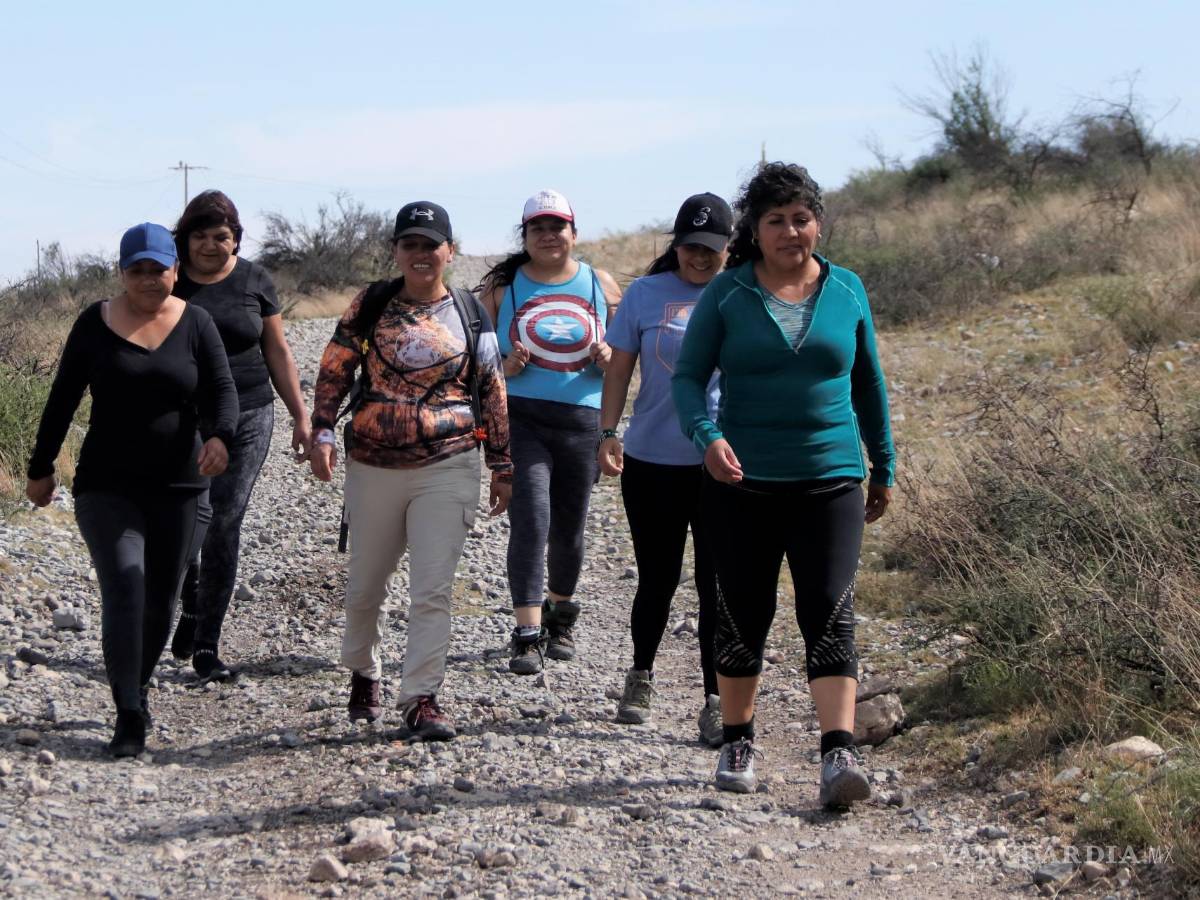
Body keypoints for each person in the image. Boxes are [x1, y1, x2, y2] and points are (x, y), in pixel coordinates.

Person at [671, 163, 896, 807]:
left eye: (801, 217)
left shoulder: (847, 290)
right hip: (742, 484)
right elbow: (688, 378)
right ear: (755, 229)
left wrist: (884, 465)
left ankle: (837, 754)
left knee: (829, 612)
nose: (791, 231)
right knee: (744, 615)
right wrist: (705, 435)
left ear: (817, 222)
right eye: (776, 220)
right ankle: (739, 739)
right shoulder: (729, 294)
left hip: (831, 480)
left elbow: (869, 384)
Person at [26, 223, 238, 757]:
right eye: (137, 269)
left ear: (175, 270)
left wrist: (219, 436)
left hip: (180, 485)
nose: (148, 279)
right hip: (107, 484)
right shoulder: (93, 324)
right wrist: (41, 467)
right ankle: (127, 712)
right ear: (122, 272)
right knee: (125, 581)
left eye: (158, 269)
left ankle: (138, 687)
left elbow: (222, 391)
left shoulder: (197, 323)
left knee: (160, 598)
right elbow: (63, 398)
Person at [310, 201, 512, 739]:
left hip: (449, 463)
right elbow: (335, 367)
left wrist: (502, 463)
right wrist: (322, 431)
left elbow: (491, 384)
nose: (421, 254)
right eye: (411, 244)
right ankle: (363, 672)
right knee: (366, 586)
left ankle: (421, 697)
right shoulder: (371, 304)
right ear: (397, 251)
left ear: (451, 250)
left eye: (431, 244)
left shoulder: (471, 313)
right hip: (373, 463)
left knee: (432, 588)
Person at [597, 193, 731, 745]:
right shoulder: (646, 296)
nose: (700, 258)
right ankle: (641, 673)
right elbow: (619, 371)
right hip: (652, 459)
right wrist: (608, 432)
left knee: (716, 584)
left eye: (712, 249)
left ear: (728, 249)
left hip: (723, 464)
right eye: (691, 247)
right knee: (658, 576)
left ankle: (716, 697)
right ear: (676, 245)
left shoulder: (742, 293)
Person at [167, 190, 311, 682]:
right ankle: (190, 600)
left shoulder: (254, 279)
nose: (210, 246)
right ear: (183, 239)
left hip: (249, 412)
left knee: (225, 518)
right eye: (200, 236)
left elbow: (278, 351)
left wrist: (300, 415)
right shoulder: (166, 280)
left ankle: (207, 643)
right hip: (183, 418)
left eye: (221, 237)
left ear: (236, 240)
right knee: (187, 517)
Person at [478, 190, 621, 675]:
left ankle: (561, 617)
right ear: (526, 236)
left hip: (582, 420)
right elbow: (474, 360)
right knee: (531, 520)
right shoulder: (503, 289)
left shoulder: (600, 284)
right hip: (523, 418)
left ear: (573, 233)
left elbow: (627, 353)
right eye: (538, 227)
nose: (548, 235)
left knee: (569, 528)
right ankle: (526, 632)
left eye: (557, 226)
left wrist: (610, 357)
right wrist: (503, 364)